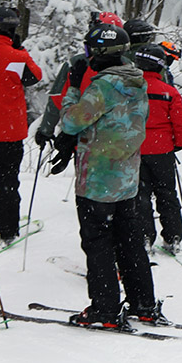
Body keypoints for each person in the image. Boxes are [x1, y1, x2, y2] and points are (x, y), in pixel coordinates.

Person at [50, 23, 162, 328]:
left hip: (99, 180)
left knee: (98, 242)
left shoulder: (105, 85)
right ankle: (144, 303)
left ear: (99, 53)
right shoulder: (135, 79)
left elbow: (73, 121)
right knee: (129, 241)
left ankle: (105, 309)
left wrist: (73, 87)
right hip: (126, 178)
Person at [0, 6, 43, 243]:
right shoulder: (18, 57)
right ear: (12, 30)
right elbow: (35, 77)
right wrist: (20, 49)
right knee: (7, 180)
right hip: (8, 132)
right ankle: (6, 229)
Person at [35, 11, 123, 147]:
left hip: (84, 141)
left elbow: (57, 100)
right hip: (122, 146)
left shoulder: (76, 64)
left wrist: (46, 130)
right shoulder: (131, 67)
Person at [133, 44, 182, 253]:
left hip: (136, 149)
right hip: (162, 150)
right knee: (167, 193)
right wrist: (179, 143)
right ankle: (173, 236)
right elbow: (180, 122)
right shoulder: (169, 91)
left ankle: (144, 236)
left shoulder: (130, 90)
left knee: (140, 195)